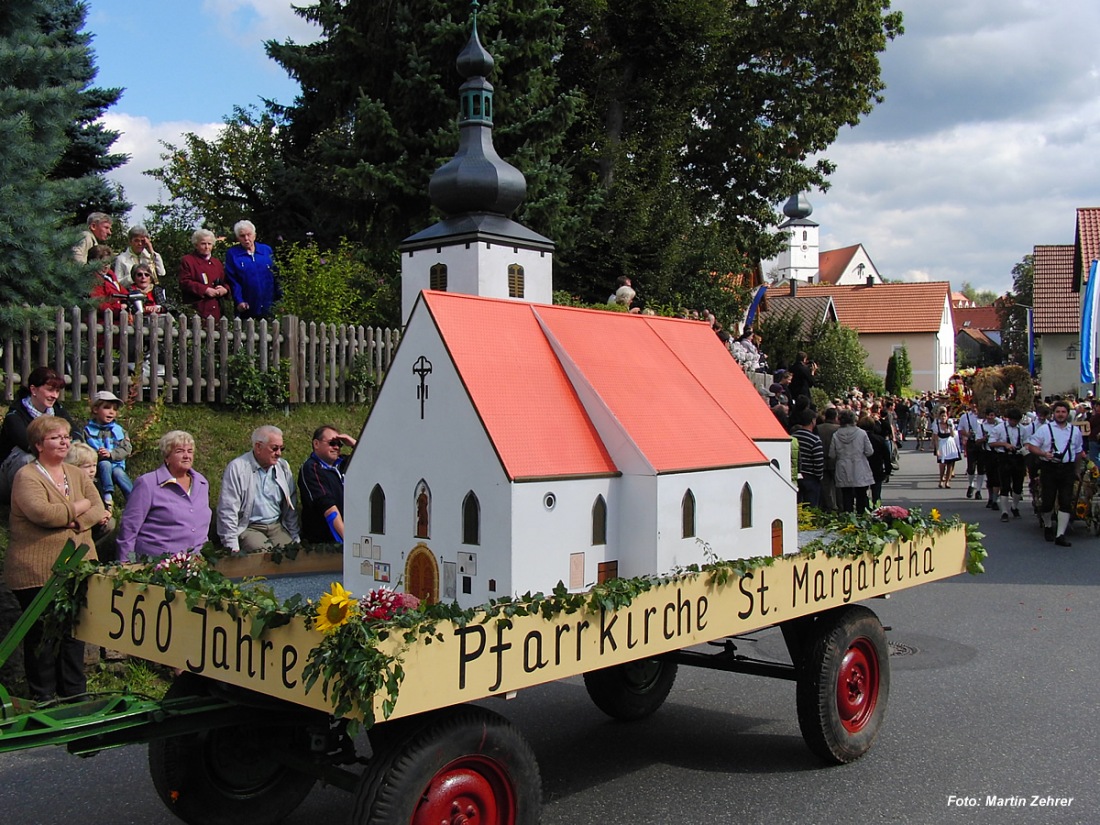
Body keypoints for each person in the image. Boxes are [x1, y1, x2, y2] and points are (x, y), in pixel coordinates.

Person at [8, 416, 106, 701]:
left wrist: (75, 519)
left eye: (66, 436)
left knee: (73, 632)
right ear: (39, 444)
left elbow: (98, 507)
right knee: (43, 634)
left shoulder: (75, 474)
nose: (64, 441)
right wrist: (78, 507)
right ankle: (43, 696)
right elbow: (43, 514)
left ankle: (74, 694)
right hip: (36, 570)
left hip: (77, 567)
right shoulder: (27, 476)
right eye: (56, 437)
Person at [117, 431, 212, 562]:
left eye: (190, 451)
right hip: (156, 565)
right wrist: (127, 564)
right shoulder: (148, 483)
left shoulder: (202, 483)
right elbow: (129, 529)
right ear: (167, 457)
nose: (186, 456)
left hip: (196, 563)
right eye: (179, 451)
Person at [0, 367, 80, 503]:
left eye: (57, 391)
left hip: (49, 462)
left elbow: (77, 434)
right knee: (28, 459)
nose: (54, 395)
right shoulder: (15, 416)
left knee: (80, 452)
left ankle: (81, 502)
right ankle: (28, 507)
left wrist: (73, 447)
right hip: (8, 477)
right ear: (33, 390)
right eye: (50, 389)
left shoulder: (58, 411)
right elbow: (30, 446)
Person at [216, 425, 300, 553]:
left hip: (276, 526)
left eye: (281, 448)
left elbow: (291, 506)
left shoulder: (283, 467)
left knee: (292, 553)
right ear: (258, 447)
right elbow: (228, 510)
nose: (279, 453)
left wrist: (294, 536)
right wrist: (232, 546)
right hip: (249, 527)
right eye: (274, 448)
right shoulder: (237, 468)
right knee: (263, 555)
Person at [1027, 400, 1086, 546]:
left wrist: (1077, 470)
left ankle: (1060, 535)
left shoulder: (1074, 431)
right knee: (1047, 502)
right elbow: (1031, 446)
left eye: (1063, 412)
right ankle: (1048, 526)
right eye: (1058, 412)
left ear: (1068, 414)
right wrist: (1043, 453)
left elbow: (1079, 452)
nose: (1060, 415)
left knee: (1066, 501)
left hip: (1067, 469)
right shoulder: (1045, 429)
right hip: (1049, 468)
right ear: (1053, 414)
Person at [298, 425, 358, 542]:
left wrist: (354, 444)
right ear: (316, 444)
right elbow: (329, 509)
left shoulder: (342, 462)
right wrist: (348, 542)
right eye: (332, 443)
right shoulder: (311, 468)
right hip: (325, 541)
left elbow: (374, 460)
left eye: (339, 444)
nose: (336, 447)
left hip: (351, 532)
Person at [82, 390, 133, 511]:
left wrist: (111, 454)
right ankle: (107, 496)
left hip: (116, 464)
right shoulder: (87, 431)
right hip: (97, 466)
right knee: (105, 464)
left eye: (114, 409)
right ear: (95, 410)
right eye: (106, 408)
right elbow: (83, 449)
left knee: (119, 474)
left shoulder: (119, 430)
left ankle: (134, 499)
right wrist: (96, 455)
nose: (111, 412)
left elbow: (127, 448)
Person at [64, 441, 116, 559]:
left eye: (94, 465)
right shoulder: (69, 485)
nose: (92, 470)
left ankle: (94, 552)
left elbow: (101, 503)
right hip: (77, 523)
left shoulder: (95, 483)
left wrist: (106, 513)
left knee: (111, 524)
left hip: (95, 523)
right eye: (87, 467)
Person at [224, 220, 280, 320]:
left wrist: (281, 301)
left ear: (254, 235)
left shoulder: (266, 250)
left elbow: (276, 276)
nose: (246, 238)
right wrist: (239, 300)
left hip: (270, 305)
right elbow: (233, 280)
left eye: (249, 234)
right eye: (242, 236)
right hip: (247, 306)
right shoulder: (233, 254)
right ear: (237, 238)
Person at [179, 229, 231, 320]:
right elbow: (184, 282)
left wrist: (225, 290)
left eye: (209, 244)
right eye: (203, 244)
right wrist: (205, 290)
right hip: (198, 309)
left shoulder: (217, 263)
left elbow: (226, 281)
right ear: (196, 245)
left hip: (216, 310)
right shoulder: (188, 260)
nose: (207, 247)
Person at [829, 409, 874, 513]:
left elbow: (832, 454)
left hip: (843, 467)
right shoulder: (861, 433)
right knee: (861, 496)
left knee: (846, 496)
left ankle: (848, 518)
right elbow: (869, 451)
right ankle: (861, 517)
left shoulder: (836, 435)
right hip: (859, 466)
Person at [988, 407, 1027, 522]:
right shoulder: (999, 428)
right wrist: (1004, 444)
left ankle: (1014, 506)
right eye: (1012, 420)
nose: (1014, 423)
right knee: (1004, 485)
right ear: (1008, 419)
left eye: (1016, 421)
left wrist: (1025, 449)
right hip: (1004, 457)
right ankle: (1004, 511)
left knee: (1018, 486)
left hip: (1018, 458)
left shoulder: (1023, 429)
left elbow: (1027, 442)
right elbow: (991, 443)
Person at [791, 410, 823, 507]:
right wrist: (819, 476)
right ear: (813, 421)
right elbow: (818, 462)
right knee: (811, 508)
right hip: (811, 478)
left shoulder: (793, 437)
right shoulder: (815, 440)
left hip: (796, 476)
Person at [859, 416, 891, 505]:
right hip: (877, 469)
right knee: (876, 495)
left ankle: (863, 510)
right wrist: (888, 471)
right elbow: (886, 456)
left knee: (862, 493)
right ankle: (877, 511)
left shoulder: (859, 439)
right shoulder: (880, 439)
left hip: (862, 469)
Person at [958, 403, 986, 500]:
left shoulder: (983, 416)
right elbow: (960, 429)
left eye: (976, 405)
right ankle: (971, 484)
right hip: (971, 443)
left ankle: (979, 490)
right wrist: (967, 434)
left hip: (982, 443)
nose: (975, 407)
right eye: (973, 405)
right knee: (971, 467)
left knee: (982, 468)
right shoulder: (964, 416)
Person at [932, 406, 961, 488]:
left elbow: (952, 435)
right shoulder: (937, 425)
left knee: (950, 464)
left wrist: (950, 427)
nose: (943, 418)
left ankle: (947, 481)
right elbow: (936, 438)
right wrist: (937, 449)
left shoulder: (950, 424)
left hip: (950, 443)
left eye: (945, 416)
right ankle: (941, 479)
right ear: (939, 417)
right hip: (942, 444)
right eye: (942, 416)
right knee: (942, 464)